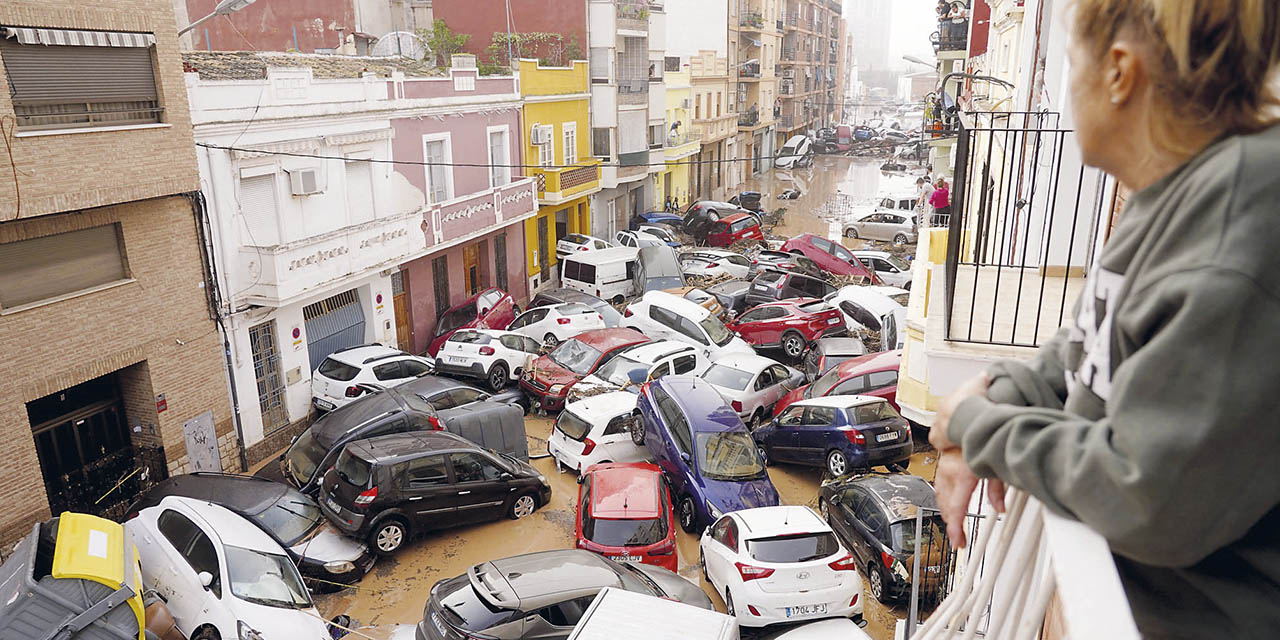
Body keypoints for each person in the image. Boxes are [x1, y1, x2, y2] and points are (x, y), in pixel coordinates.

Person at [929, 1, 1280, 637]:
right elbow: (1085, 346)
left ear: (1119, 72)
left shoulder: (1239, 225)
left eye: (1071, 63)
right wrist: (992, 404)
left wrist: (978, 426)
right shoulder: (1170, 190)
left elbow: (1148, 494)